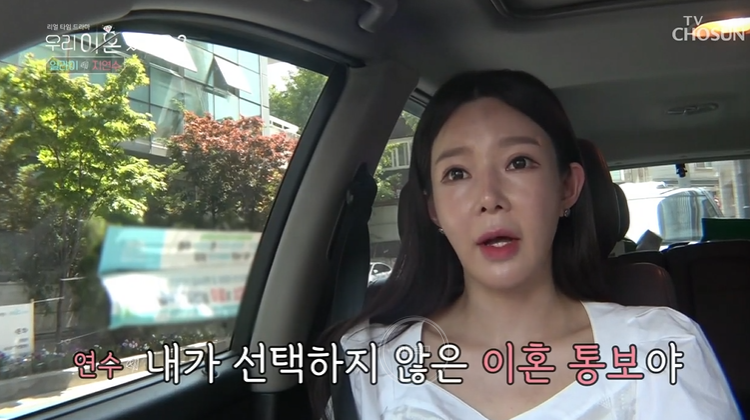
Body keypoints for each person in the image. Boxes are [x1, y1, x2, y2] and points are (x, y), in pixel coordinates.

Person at [308, 70, 741, 419]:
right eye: (457, 173)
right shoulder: (371, 366)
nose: (489, 198)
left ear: (567, 188)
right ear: (433, 210)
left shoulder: (659, 349)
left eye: (519, 162)